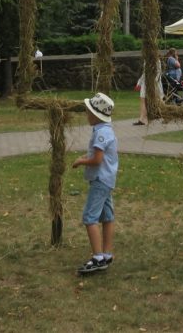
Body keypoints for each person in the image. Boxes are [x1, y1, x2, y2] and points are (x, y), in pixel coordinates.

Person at [72, 92, 118, 275]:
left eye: (88, 112)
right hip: (107, 180)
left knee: (89, 217)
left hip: (100, 180)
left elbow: (97, 160)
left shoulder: (100, 133)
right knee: (107, 217)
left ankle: (98, 258)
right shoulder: (107, 130)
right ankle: (107, 254)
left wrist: (80, 161)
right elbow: (100, 155)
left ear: (96, 115)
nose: (87, 115)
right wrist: (87, 156)